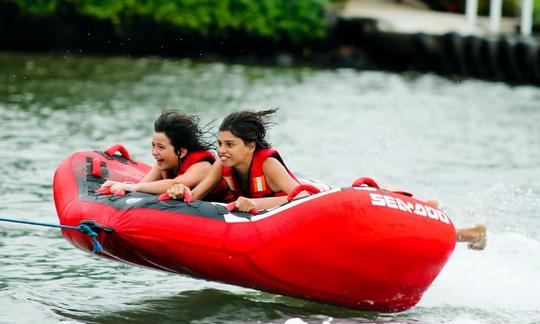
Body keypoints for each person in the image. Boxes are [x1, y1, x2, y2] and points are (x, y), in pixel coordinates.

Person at [166, 108, 302, 212]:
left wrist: (256, 203)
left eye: (229, 144)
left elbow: (303, 197)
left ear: (250, 147)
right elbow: (195, 195)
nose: (221, 150)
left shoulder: (269, 165)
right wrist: (181, 191)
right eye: (220, 144)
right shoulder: (221, 164)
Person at [101, 110, 219, 196]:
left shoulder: (203, 166)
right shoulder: (162, 164)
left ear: (181, 152)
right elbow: (141, 186)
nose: (154, 152)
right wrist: (121, 186)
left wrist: (130, 187)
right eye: (153, 145)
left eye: (161, 147)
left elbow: (175, 183)